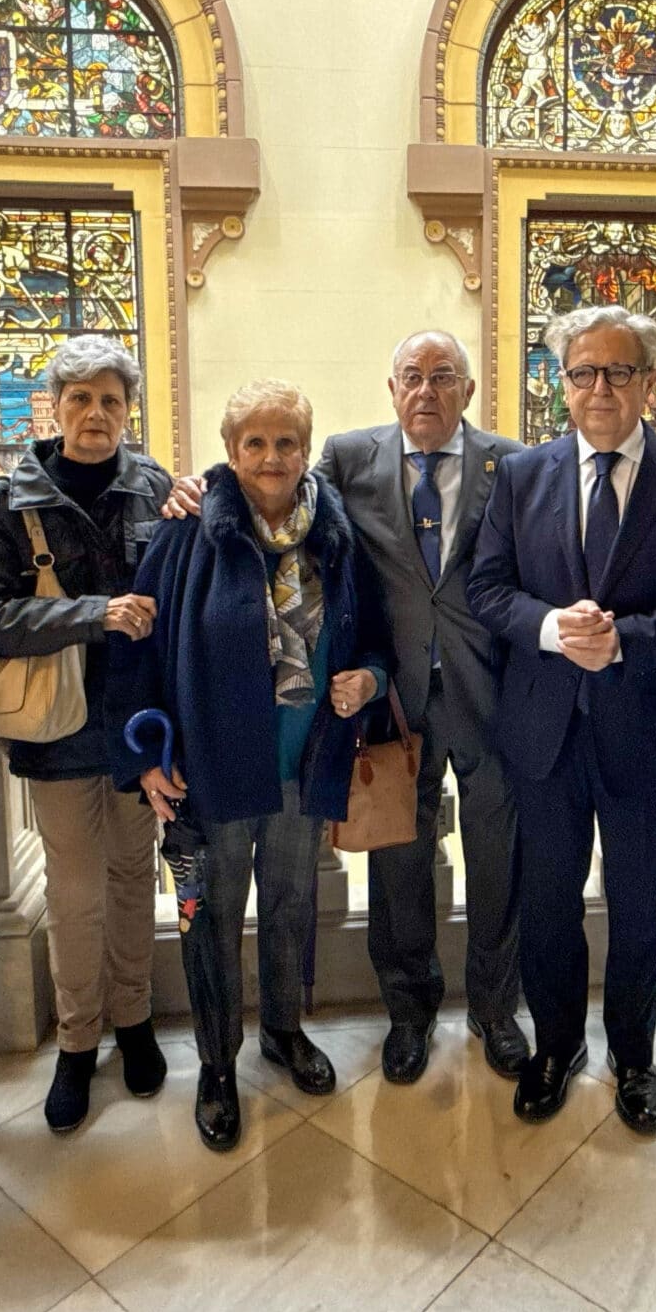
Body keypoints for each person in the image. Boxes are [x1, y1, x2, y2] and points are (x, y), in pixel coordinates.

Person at [467, 305, 656, 1134]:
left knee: (639, 908)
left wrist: (624, 640)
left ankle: (633, 1057)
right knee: (548, 903)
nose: (599, 388)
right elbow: (487, 589)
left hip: (646, 735)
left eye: (619, 371)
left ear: (650, 382)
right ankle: (557, 1049)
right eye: (582, 371)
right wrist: (554, 630)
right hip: (543, 734)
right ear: (561, 382)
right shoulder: (521, 476)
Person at [109, 379, 393, 1152]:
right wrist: (145, 762)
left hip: (306, 764)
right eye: (255, 444)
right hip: (212, 772)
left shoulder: (334, 534)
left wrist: (369, 680)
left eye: (287, 443)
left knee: (293, 907)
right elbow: (138, 652)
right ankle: (215, 1065)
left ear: (307, 449)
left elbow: (372, 640)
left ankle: (282, 1030)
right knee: (211, 922)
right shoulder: (189, 529)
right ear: (231, 452)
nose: (272, 458)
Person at [0, 335, 173, 1133]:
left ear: (129, 409)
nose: (95, 415)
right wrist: (92, 614)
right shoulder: (6, 499)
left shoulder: (154, 485)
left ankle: (136, 1020)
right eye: (80, 399)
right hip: (57, 729)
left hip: (138, 726)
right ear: (53, 406)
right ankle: (78, 1043)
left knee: (131, 880)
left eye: (111, 401)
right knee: (77, 892)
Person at [317, 332, 529, 1083]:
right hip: (393, 698)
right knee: (398, 862)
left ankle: (496, 1008)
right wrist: (199, 492)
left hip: (489, 691)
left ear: (468, 391)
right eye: (413, 376)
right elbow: (277, 505)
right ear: (391, 386)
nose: (427, 391)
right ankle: (408, 1013)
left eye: (444, 377)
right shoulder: (346, 459)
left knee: (499, 855)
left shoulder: (515, 463)